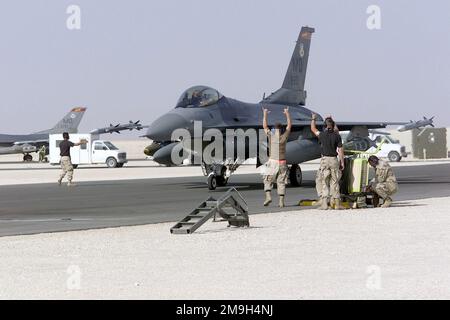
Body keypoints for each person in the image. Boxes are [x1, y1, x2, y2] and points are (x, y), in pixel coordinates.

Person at [311, 114, 345, 210]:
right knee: (335, 182)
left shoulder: (321, 135)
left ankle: (325, 204)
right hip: (334, 159)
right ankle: (337, 204)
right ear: (333, 125)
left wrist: (313, 118)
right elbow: (341, 150)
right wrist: (342, 162)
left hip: (325, 160)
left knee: (324, 181)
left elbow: (313, 129)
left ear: (325, 126)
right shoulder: (337, 136)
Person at [262, 106, 292, 208]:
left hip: (273, 161)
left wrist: (265, 114)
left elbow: (265, 126)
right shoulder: (284, 136)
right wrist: (287, 113)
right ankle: (281, 202)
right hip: (282, 162)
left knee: (267, 179)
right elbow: (289, 126)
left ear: (274, 129)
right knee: (281, 181)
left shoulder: (271, 135)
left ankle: (268, 196)